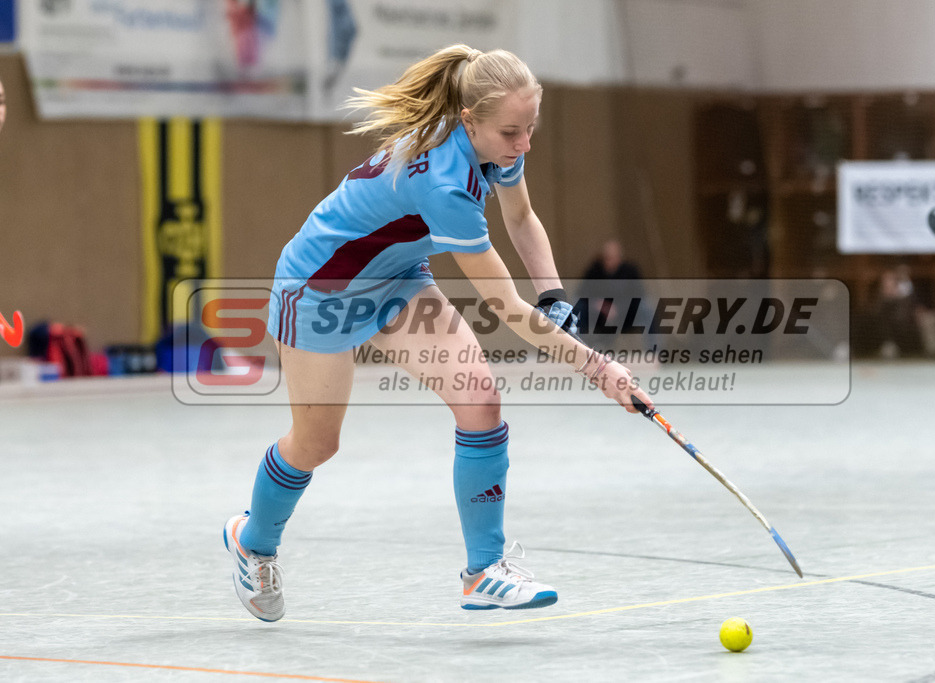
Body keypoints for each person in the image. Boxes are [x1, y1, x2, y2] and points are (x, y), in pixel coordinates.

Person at [223, 44, 653, 622]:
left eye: (530, 128)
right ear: (469, 120)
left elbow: (521, 217)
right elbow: (504, 306)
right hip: (319, 288)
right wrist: (599, 368)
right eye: (511, 132)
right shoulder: (445, 185)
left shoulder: (496, 143)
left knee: (480, 398)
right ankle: (253, 540)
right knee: (317, 443)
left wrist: (554, 297)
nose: (523, 144)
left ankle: (484, 572)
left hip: (397, 278)